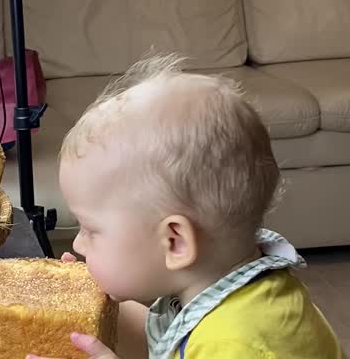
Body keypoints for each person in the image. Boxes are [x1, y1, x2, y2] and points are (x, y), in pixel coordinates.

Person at [27, 54, 344, 359]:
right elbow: (164, 339)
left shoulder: (236, 344)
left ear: (175, 241)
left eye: (91, 230)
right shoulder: (215, 292)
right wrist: (102, 308)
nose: (78, 243)